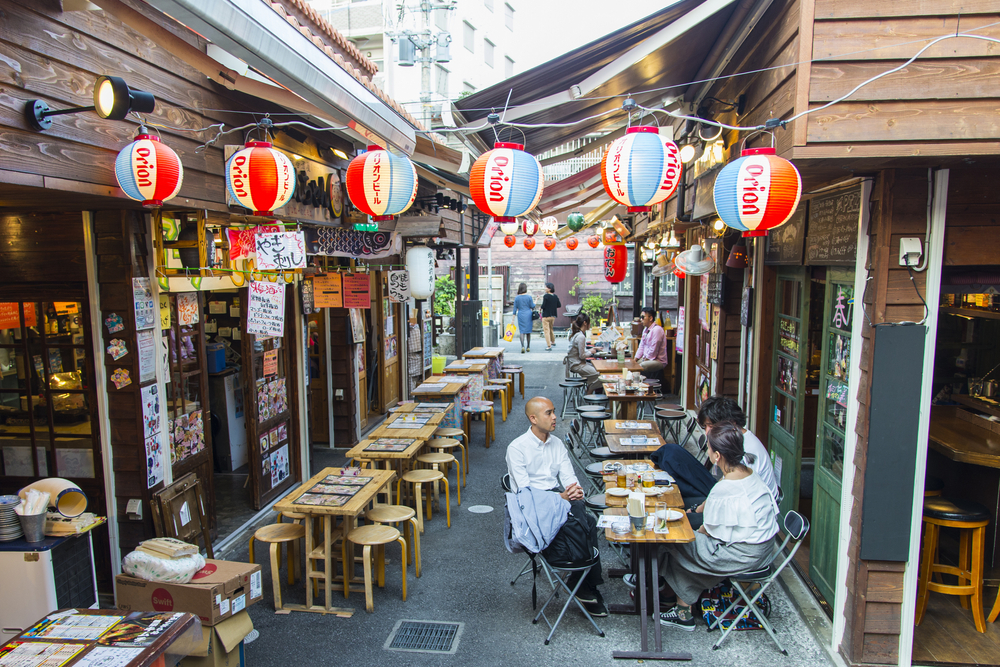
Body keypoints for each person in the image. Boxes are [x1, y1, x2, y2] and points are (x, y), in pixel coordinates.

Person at [657, 421, 779, 631]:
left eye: (710, 449)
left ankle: (676, 605)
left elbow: (707, 531)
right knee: (684, 540)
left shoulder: (725, 488)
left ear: (717, 456)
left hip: (744, 556)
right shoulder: (751, 474)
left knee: (673, 540)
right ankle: (679, 604)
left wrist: (684, 529)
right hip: (765, 549)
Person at [506, 397, 607, 616]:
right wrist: (561, 498)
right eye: (549, 413)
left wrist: (575, 490)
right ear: (533, 419)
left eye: (553, 412)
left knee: (585, 519)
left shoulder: (557, 443)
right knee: (586, 522)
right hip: (532, 507)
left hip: (557, 497)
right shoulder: (517, 448)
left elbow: (569, 477)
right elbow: (525, 494)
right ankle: (587, 586)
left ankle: (582, 583)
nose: (554, 417)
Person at [696, 396, 779, 501]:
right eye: (705, 426)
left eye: (712, 426)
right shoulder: (736, 439)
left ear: (731, 423)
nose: (707, 432)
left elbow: (743, 499)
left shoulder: (745, 448)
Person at [565, 314, 601, 393]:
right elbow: (582, 356)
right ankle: (589, 391)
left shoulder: (577, 334)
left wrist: (593, 349)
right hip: (577, 365)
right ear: (585, 323)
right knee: (601, 376)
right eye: (589, 322)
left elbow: (582, 351)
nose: (590, 324)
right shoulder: (581, 336)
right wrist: (591, 352)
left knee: (598, 374)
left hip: (575, 363)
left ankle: (590, 387)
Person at [634, 307, 668, 377]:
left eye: (643, 317)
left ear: (650, 318)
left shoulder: (657, 330)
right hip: (647, 358)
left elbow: (653, 351)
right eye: (641, 317)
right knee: (632, 366)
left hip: (658, 361)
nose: (641, 319)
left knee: (641, 366)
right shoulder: (645, 330)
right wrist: (634, 360)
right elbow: (641, 347)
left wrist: (643, 360)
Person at [513, 283, 536, 353]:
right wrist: (537, 300)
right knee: (528, 332)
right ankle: (528, 346)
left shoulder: (517, 298)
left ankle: (522, 346)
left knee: (522, 331)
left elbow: (514, 309)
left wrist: (512, 320)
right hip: (528, 314)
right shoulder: (529, 297)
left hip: (520, 314)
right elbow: (532, 306)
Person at [540, 283, 561, 351]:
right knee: (551, 329)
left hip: (546, 316)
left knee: (546, 330)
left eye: (546, 287)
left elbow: (543, 306)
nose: (545, 288)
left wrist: (541, 308)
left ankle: (549, 346)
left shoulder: (546, 296)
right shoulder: (555, 296)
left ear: (549, 289)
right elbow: (559, 305)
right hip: (553, 316)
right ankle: (553, 341)